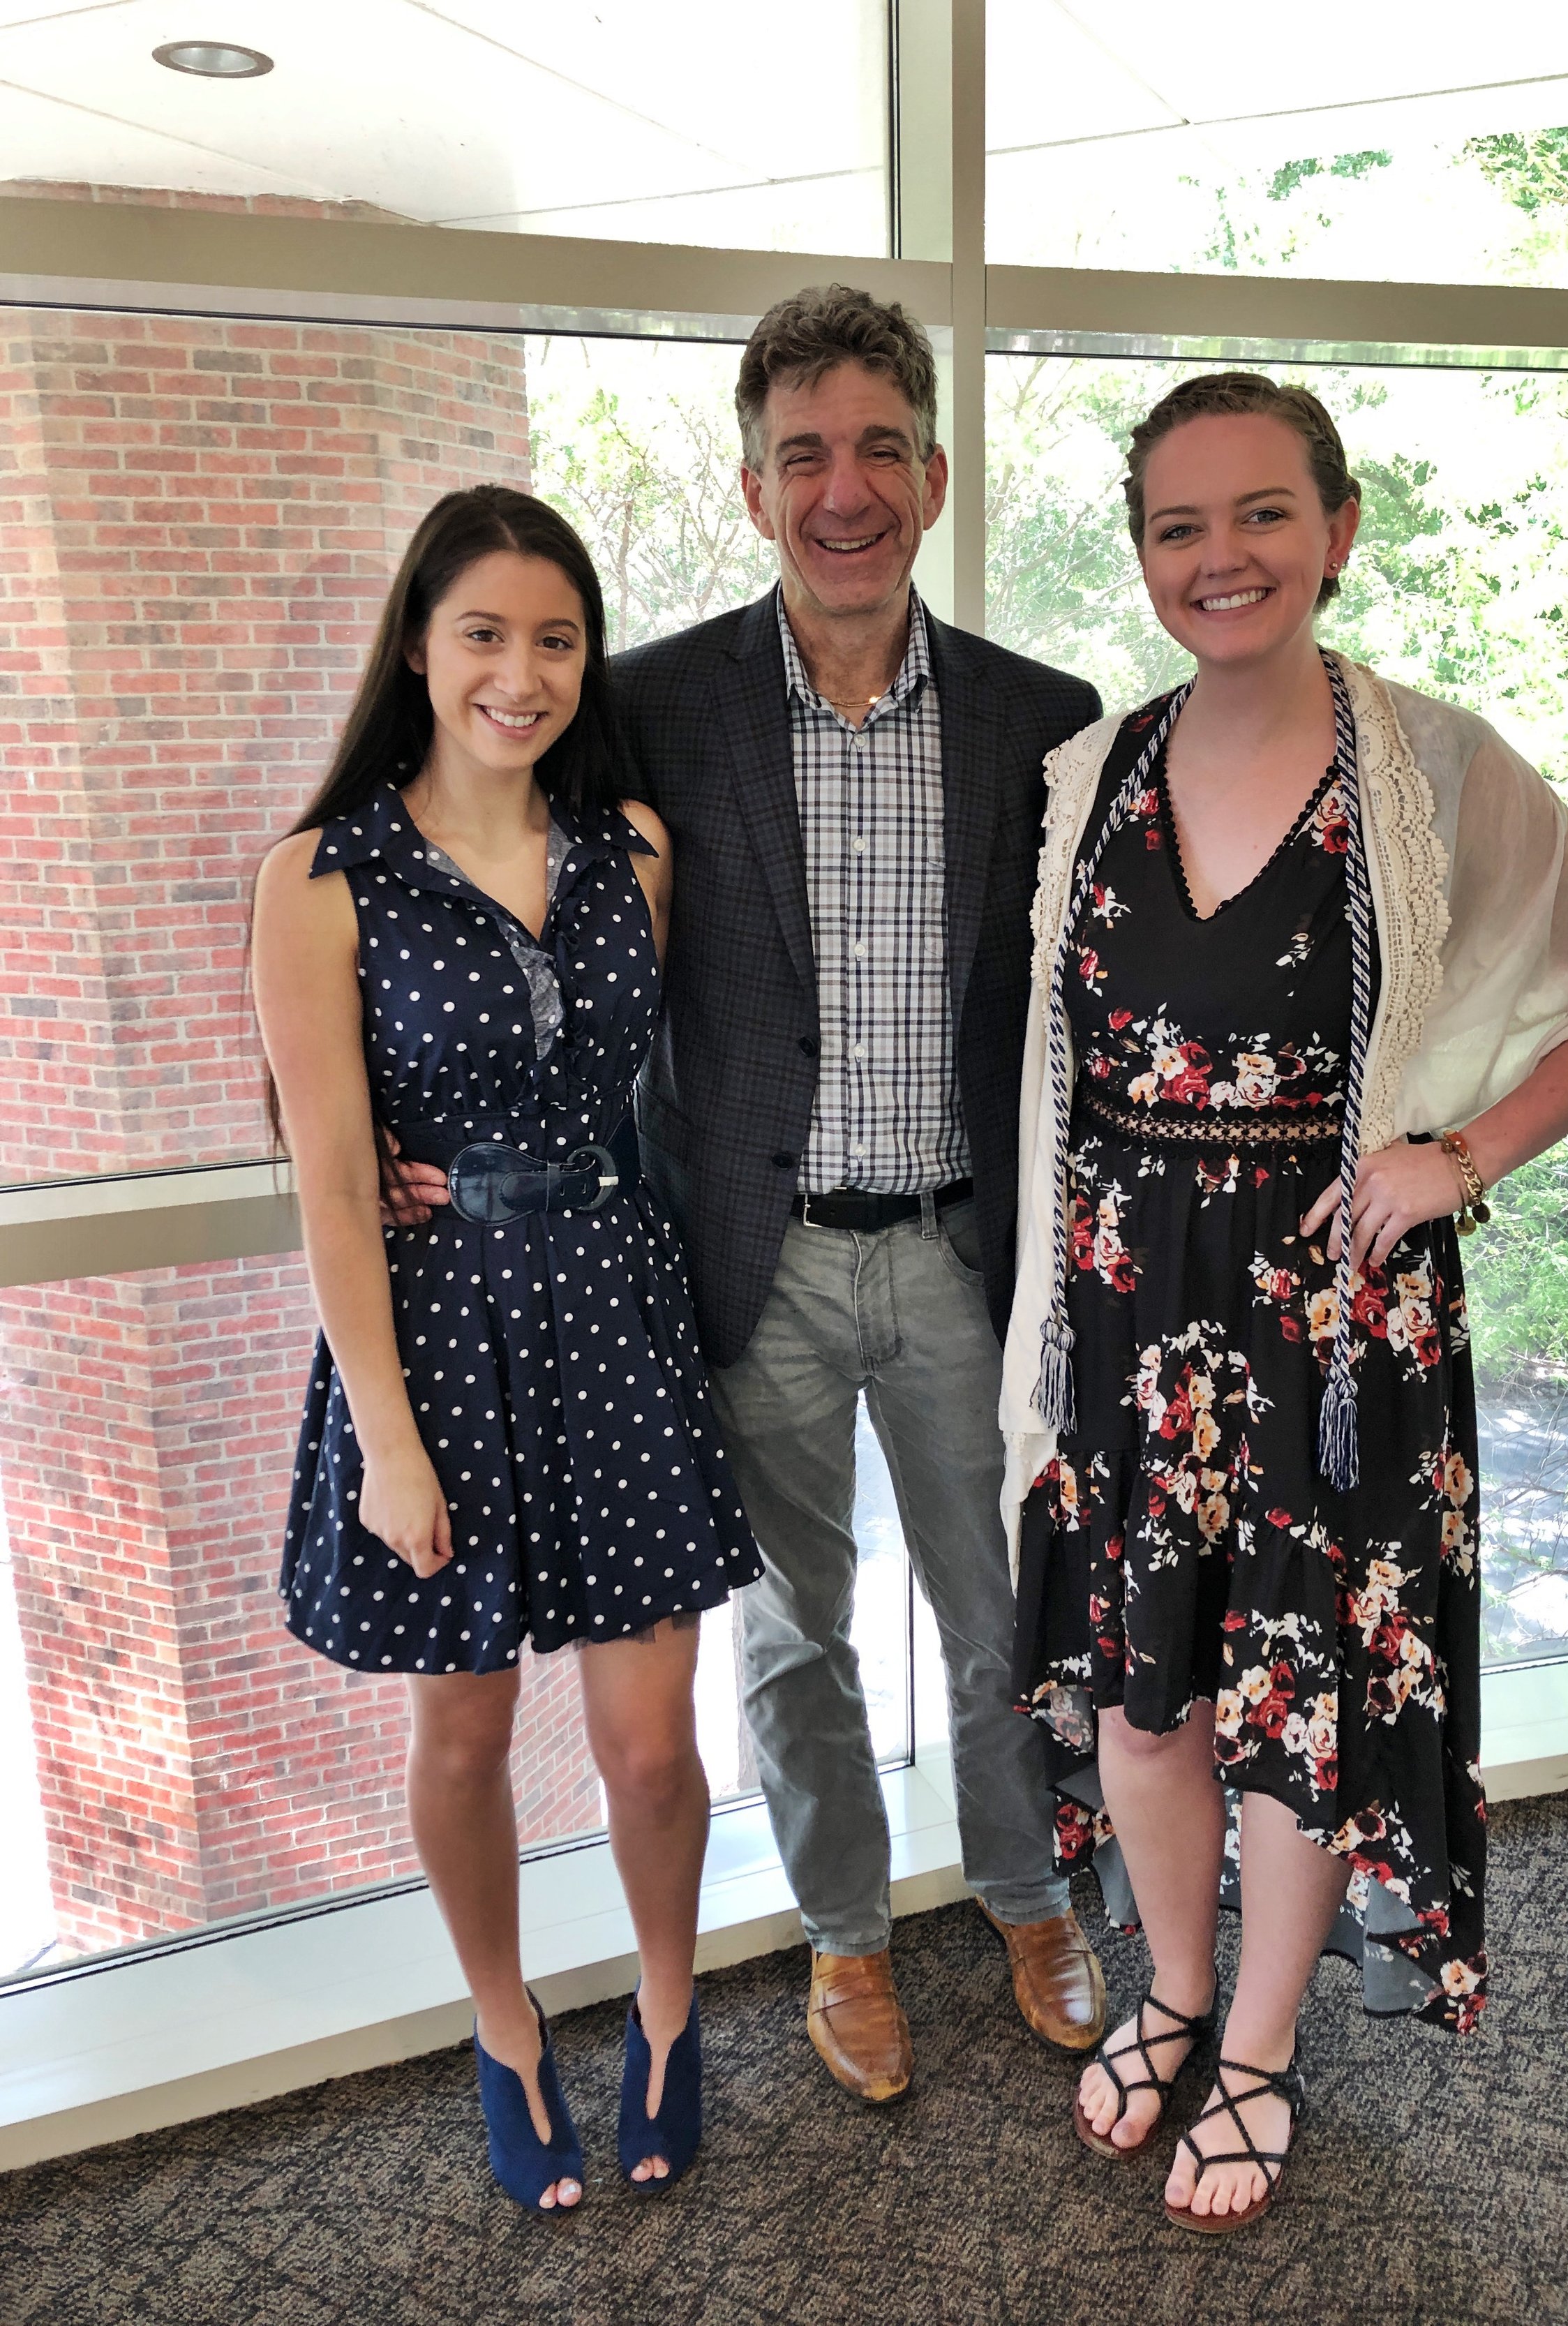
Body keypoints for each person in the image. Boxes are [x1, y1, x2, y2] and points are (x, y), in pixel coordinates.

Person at [999, 372, 1568, 2233]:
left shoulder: (1436, 763)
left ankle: (1256, 2046)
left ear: (1335, 527)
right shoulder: (1093, 776)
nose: (1216, 556)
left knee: (1291, 1702)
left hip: (1333, 1324)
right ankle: (1166, 1983)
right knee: (1147, 1701)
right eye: (1175, 525)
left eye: (1256, 515)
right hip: (1130, 1307)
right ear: (1142, 552)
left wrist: (1457, 1156)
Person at [578, 283, 1105, 2101]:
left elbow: (1076, 999)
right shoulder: (646, 709)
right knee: (792, 1633)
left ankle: (1031, 1895)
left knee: (1001, 1621)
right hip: (765, 1264)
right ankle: (847, 1935)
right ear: (751, 488)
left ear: (934, 475)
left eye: (879, 445)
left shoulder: (1050, 723)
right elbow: (549, 935)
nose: (843, 484)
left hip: (965, 1255)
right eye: (803, 451)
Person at [253, 484, 762, 2216]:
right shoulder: (323, 878)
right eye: (484, 632)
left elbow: (649, 1087)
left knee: (646, 1739)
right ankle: (502, 2025)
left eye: (556, 638)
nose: (521, 672)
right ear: (418, 642)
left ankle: (670, 2013)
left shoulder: (632, 845)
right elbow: (330, 1179)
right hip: (436, 1342)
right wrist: (387, 1440)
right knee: (464, 1738)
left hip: (612, 1313)